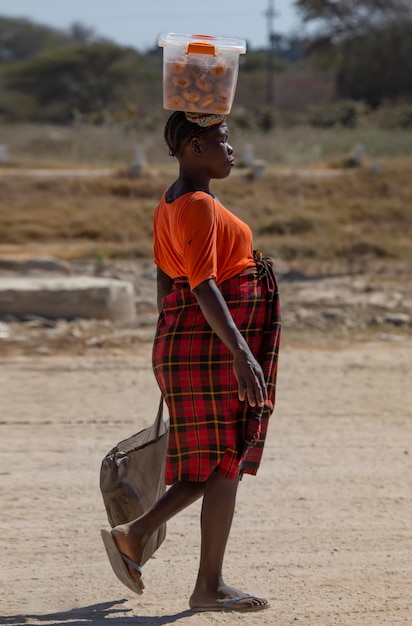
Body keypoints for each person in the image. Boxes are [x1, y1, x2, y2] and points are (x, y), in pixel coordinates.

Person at [102, 110, 281, 612]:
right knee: (221, 459)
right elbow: (200, 283)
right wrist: (240, 351)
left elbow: (166, 280)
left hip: (192, 343)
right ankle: (146, 541)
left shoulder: (171, 201)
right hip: (209, 346)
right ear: (194, 148)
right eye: (221, 139)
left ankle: (198, 576)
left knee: (223, 460)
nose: (231, 149)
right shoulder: (198, 204)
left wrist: (173, 339)